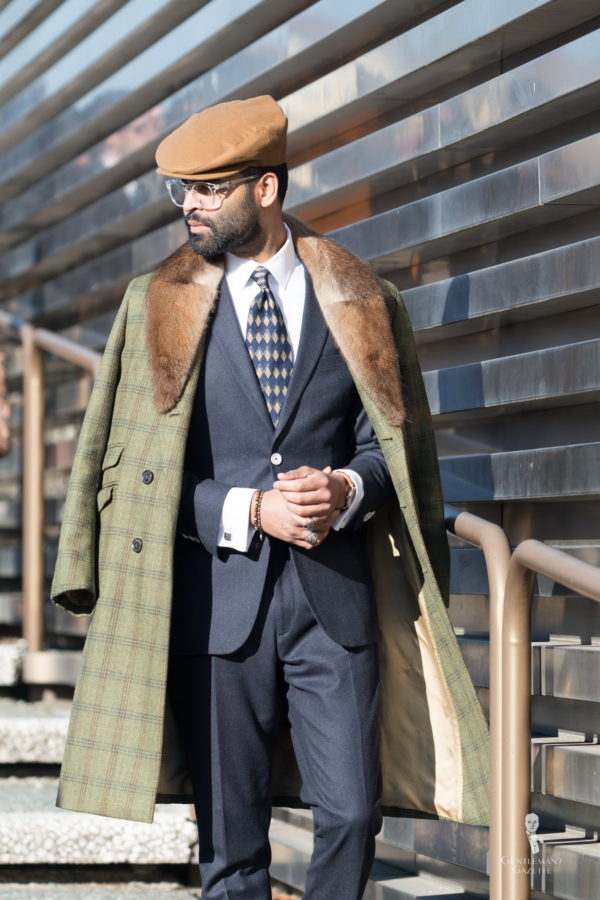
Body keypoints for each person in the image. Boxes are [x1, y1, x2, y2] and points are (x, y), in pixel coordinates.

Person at [51, 96, 489, 900]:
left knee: (354, 815)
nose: (191, 205)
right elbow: (135, 487)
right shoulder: (156, 306)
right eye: (183, 190)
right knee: (230, 849)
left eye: (211, 188)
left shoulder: (362, 299)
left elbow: (395, 454)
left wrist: (346, 488)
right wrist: (250, 509)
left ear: (267, 189)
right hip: (217, 613)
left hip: (336, 605)